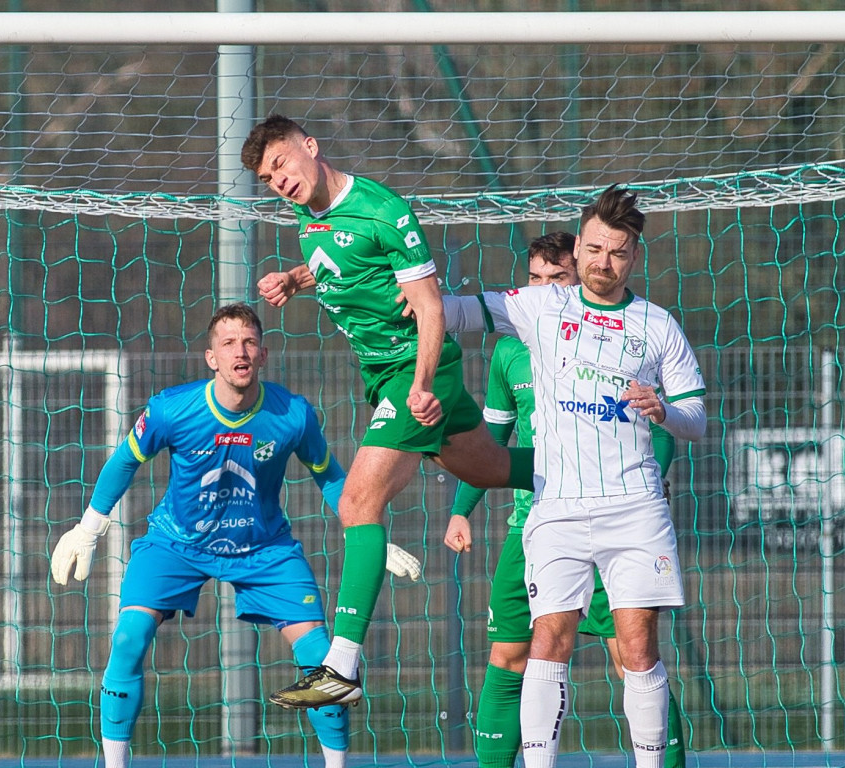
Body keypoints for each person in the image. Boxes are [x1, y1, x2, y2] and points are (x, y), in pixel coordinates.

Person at [241, 114, 535, 710]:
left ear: (310, 147)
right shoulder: (308, 219)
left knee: (356, 502)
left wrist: (423, 384)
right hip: (382, 376)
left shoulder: (385, 211)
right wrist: (296, 279)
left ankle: (340, 666)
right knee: (489, 469)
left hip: (415, 370)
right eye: (268, 179)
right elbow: (340, 263)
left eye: (282, 165)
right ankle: (593, 465)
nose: (279, 182)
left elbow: (429, 310)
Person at [49, 303, 423, 768]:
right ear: (212, 358)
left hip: (264, 549)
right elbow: (125, 462)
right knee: (128, 638)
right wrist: (89, 529)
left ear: (263, 354)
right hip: (176, 543)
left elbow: (330, 477)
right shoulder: (171, 408)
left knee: (325, 663)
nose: (239, 352)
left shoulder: (293, 415)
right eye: (228, 343)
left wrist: (368, 534)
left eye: (248, 342)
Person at [440, 187, 706, 768]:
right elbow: (458, 310)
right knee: (546, 646)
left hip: (635, 509)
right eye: (592, 249)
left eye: (615, 252)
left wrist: (667, 411)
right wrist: (402, 294)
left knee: (637, 650)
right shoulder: (539, 308)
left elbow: (697, 419)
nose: (601, 262)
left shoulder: (658, 326)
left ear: (633, 255)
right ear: (579, 246)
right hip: (556, 507)